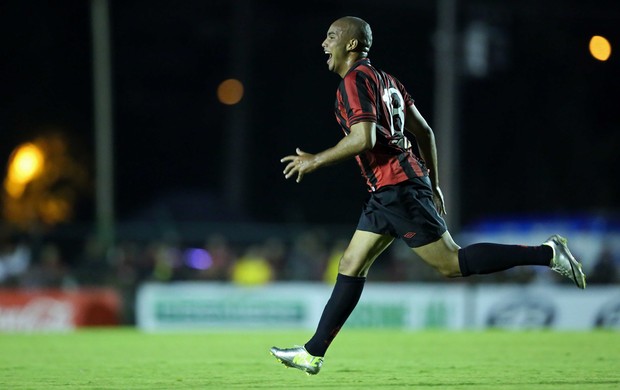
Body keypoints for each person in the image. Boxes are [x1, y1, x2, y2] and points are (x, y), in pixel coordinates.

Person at [270, 16, 586, 376]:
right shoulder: (387, 81)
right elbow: (425, 132)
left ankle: (548, 253)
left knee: (451, 263)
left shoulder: (354, 81)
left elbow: (364, 139)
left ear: (352, 45)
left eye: (330, 37)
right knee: (350, 264)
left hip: (397, 188)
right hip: (389, 190)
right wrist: (433, 182)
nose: (324, 44)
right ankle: (312, 353)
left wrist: (315, 161)